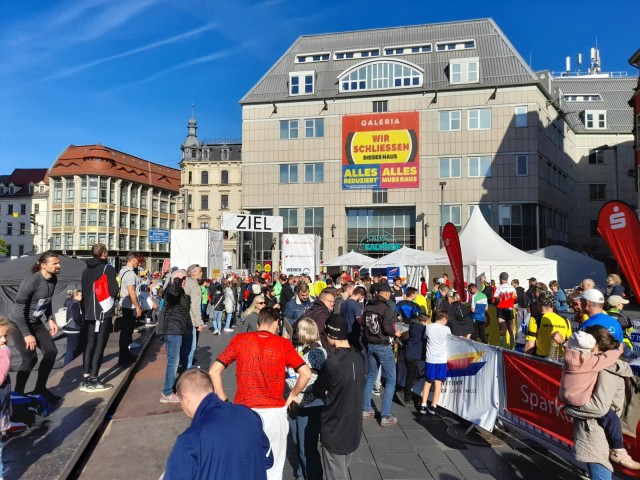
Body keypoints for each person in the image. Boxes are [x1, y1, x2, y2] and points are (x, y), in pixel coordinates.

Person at [209, 307, 312, 480]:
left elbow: (214, 371)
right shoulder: (283, 344)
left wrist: (224, 400)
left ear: (258, 324)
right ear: (275, 324)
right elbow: (306, 373)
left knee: (245, 466)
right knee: (274, 469)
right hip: (274, 412)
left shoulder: (240, 340)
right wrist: (293, 394)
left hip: (245, 413)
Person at [164, 368, 273, 480]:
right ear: (214, 390)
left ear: (186, 398)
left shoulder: (190, 440)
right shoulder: (249, 414)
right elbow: (267, 459)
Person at [559, 329, 640, 470]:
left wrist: (569, 408)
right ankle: (619, 451)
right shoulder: (593, 361)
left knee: (599, 468)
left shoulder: (569, 356)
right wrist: (617, 350)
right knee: (611, 419)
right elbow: (600, 408)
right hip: (589, 418)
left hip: (570, 398)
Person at [313, 314, 365, 480]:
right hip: (353, 427)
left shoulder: (332, 363)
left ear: (330, 336)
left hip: (334, 428)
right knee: (342, 469)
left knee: (336, 474)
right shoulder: (359, 357)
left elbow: (318, 390)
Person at [8, 251, 60, 401]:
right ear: (43, 265)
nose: (58, 266)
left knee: (51, 351)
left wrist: (50, 319)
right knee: (30, 359)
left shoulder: (53, 279)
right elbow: (18, 312)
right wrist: (27, 334)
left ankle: (40, 389)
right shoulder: (31, 281)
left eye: (58, 263)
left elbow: (46, 301)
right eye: (55, 263)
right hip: (19, 324)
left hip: (35, 322)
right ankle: (18, 394)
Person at [285, 318, 327, 480]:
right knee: (297, 441)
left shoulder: (317, 352)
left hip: (308, 404)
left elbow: (311, 379)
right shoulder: (304, 347)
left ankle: (310, 475)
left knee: (306, 445)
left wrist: (289, 382)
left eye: (297, 331)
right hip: (297, 403)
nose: (295, 333)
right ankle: (302, 473)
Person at [362, 282, 401, 427]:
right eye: (389, 293)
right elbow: (387, 328)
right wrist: (395, 332)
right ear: (385, 293)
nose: (390, 294)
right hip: (382, 345)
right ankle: (385, 415)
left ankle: (366, 409)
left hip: (370, 344)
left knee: (371, 376)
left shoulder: (368, 306)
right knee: (391, 379)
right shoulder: (387, 307)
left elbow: (364, 326)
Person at [80, 243, 119, 390]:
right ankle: (94, 379)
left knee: (89, 344)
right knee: (100, 345)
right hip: (103, 311)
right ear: (104, 254)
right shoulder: (107, 268)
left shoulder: (85, 270)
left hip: (90, 311)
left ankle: (85, 377)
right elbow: (114, 289)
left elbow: (84, 290)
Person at [159, 269, 190, 403]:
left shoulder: (179, 291)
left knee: (174, 361)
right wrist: (176, 281)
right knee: (173, 361)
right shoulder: (172, 289)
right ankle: (167, 392)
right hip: (173, 330)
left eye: (184, 279)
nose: (184, 282)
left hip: (177, 329)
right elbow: (172, 296)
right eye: (182, 279)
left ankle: (168, 389)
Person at [420, 311, 451, 415]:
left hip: (431, 358)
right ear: (443, 319)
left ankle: (423, 405)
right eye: (446, 321)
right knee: (438, 384)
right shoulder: (447, 329)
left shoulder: (429, 327)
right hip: (441, 359)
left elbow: (426, 337)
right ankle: (434, 406)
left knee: (427, 382)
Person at [525, 291, 571, 360]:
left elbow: (530, 345)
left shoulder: (535, 319)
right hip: (561, 361)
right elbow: (569, 344)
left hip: (542, 360)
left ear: (539, 303)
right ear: (553, 304)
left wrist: (525, 360)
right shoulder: (565, 320)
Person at [118, 251, 143, 366]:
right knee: (127, 332)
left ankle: (125, 355)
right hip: (129, 305)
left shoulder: (123, 270)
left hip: (124, 304)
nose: (138, 263)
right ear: (133, 260)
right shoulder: (130, 274)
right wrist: (137, 307)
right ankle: (123, 358)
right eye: (138, 261)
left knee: (126, 332)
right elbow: (131, 292)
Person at [182, 264, 205, 369]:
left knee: (183, 345)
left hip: (181, 318)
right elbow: (195, 306)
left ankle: (183, 365)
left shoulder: (184, 282)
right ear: (193, 273)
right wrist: (199, 323)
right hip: (190, 319)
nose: (202, 273)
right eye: (200, 271)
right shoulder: (195, 286)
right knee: (191, 346)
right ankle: (187, 368)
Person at [402, 313, 428, 405]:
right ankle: (407, 395)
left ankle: (407, 392)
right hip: (414, 355)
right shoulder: (422, 329)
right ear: (422, 322)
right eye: (426, 322)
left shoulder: (412, 326)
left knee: (411, 375)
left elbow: (406, 337)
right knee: (412, 376)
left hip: (408, 353)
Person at [494, 272, 517, 348]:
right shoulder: (512, 287)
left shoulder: (499, 287)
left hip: (501, 309)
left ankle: (503, 346)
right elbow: (515, 299)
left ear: (501, 279)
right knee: (510, 328)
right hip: (510, 309)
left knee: (502, 329)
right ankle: (512, 346)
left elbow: (496, 300)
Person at [62, 289, 84, 367]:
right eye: (80, 295)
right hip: (74, 328)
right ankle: (67, 366)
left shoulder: (67, 302)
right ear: (75, 295)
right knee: (72, 349)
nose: (82, 297)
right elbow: (76, 317)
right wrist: (81, 324)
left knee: (70, 348)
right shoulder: (75, 304)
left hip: (67, 327)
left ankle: (67, 365)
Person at [340, 286, 365, 350]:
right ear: (359, 295)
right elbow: (359, 320)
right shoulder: (356, 305)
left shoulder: (343, 303)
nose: (362, 298)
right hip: (354, 333)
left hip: (345, 333)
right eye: (362, 297)